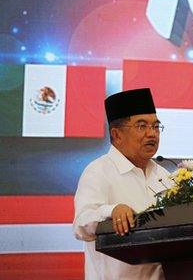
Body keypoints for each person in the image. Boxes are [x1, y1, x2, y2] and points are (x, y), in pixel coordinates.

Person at [73, 88, 172, 280]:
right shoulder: (98, 171)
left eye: (156, 126)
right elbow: (81, 225)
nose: (152, 134)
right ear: (116, 134)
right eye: (141, 126)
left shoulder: (164, 175)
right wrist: (112, 211)